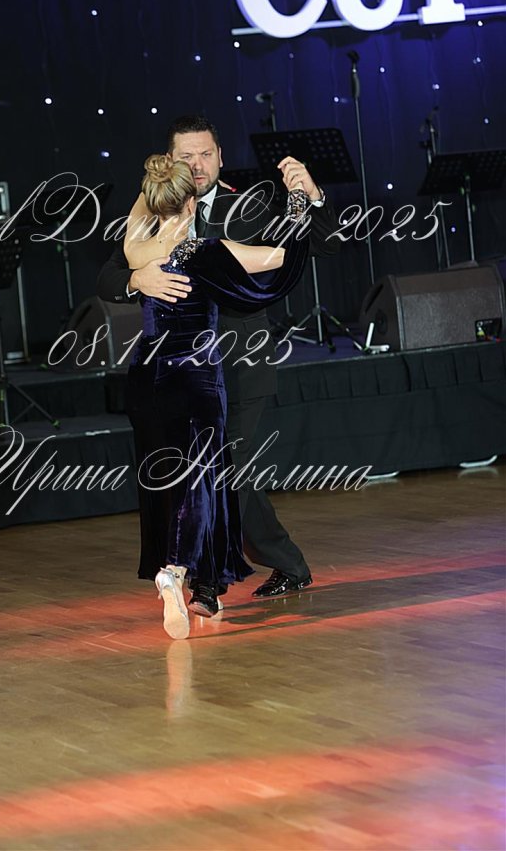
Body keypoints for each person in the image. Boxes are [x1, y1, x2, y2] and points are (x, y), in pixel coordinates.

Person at [97, 115, 340, 616]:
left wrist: (311, 197)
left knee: (224, 475)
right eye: (186, 156)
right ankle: (270, 568)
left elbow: (320, 243)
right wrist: (137, 280)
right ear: (171, 162)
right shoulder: (154, 216)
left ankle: (213, 583)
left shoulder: (247, 206)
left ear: (221, 157)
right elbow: (108, 276)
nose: (197, 164)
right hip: (178, 377)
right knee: (210, 477)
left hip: (240, 369)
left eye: (205, 154)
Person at [124, 153, 310, 639]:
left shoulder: (138, 251)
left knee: (165, 481)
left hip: (146, 378)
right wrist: (298, 203)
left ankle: (201, 583)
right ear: (191, 203)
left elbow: (142, 214)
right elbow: (278, 262)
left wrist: (158, 189)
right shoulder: (206, 252)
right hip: (196, 380)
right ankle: (177, 572)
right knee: (203, 484)